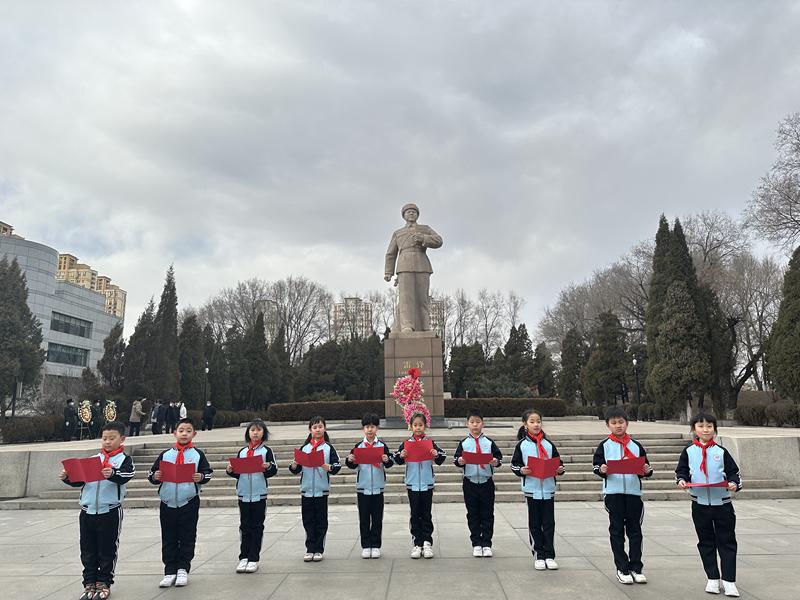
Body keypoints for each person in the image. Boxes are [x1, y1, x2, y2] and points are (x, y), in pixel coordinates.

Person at [59, 421, 135, 600]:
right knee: (87, 549)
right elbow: (80, 480)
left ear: (122, 439)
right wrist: (67, 478)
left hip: (109, 511)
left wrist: (113, 473)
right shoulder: (93, 459)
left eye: (112, 438)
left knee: (107, 549)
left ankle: (104, 582)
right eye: (104, 438)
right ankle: (89, 583)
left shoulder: (124, 460)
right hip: (88, 511)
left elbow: (127, 475)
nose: (107, 442)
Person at [675, 413, 742, 597]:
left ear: (715, 429)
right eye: (701, 426)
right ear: (694, 430)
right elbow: (681, 472)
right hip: (700, 505)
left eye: (709, 426)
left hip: (722, 504)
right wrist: (681, 481)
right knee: (705, 542)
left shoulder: (721, 452)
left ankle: (729, 581)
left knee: (727, 542)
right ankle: (712, 578)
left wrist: (734, 484)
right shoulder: (688, 452)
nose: (705, 430)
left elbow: (734, 473)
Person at [147, 418, 213, 588]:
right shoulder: (166, 454)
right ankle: (170, 570)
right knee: (168, 536)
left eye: (188, 430)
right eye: (181, 430)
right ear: (174, 433)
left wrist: (201, 477)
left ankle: (183, 568)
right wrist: (156, 477)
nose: (184, 433)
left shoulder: (197, 455)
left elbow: (207, 473)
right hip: (167, 503)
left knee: (187, 536)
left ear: (194, 434)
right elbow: (152, 474)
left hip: (188, 502)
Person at [593, 406, 654, 585]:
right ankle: (622, 567)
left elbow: (646, 467)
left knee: (635, 532)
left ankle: (636, 567)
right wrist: (602, 469)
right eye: (614, 423)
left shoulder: (636, 446)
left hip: (634, 494)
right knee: (617, 531)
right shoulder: (604, 445)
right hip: (614, 494)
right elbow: (596, 466)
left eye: (621, 422)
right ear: (607, 425)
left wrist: (647, 471)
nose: (618, 426)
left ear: (627, 424)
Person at [510, 409, 566, 570]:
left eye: (538, 421)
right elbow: (515, 464)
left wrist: (559, 469)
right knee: (535, 523)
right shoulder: (521, 445)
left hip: (548, 489)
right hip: (532, 489)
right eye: (532, 421)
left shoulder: (549, 444)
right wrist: (522, 470)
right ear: (525, 424)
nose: (536, 424)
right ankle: (538, 554)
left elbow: (559, 463)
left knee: (549, 523)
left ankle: (549, 554)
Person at [226, 419, 278, 573]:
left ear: (264, 433)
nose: (255, 433)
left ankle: (254, 558)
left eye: (259, 430)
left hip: (259, 494)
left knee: (257, 526)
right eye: (252, 430)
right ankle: (243, 557)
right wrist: (230, 470)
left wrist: (267, 467)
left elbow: (273, 470)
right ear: (248, 433)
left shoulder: (266, 451)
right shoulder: (242, 452)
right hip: (243, 494)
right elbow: (238, 473)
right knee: (244, 526)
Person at [393, 412, 447, 559]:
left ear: (425, 426)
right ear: (410, 426)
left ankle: (427, 542)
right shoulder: (407, 443)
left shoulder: (429, 441)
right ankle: (417, 543)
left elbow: (442, 456)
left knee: (426, 514)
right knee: (415, 514)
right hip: (412, 484)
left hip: (427, 484)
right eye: (415, 425)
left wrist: (435, 454)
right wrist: (401, 455)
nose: (418, 428)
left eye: (420, 425)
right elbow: (395, 458)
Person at [288, 416, 341, 562]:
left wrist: (329, 467)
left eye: (320, 426)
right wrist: (293, 465)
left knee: (321, 521)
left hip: (321, 490)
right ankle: (310, 548)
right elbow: (296, 468)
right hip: (306, 491)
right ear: (310, 430)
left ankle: (319, 549)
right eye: (315, 427)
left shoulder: (328, 448)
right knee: (308, 520)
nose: (318, 430)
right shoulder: (304, 448)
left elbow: (337, 466)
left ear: (325, 428)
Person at [384, 203, 443, 332]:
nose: (411, 213)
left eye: (414, 212)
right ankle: (407, 326)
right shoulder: (398, 233)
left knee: (423, 298)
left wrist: (424, 238)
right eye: (408, 212)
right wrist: (388, 272)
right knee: (406, 298)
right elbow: (390, 253)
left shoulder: (425, 229)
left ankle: (425, 325)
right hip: (404, 265)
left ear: (417, 215)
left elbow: (439, 240)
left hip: (422, 264)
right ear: (404, 215)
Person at [453, 410, 503, 558]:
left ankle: (486, 543)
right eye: (472, 422)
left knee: (487, 514)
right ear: (467, 424)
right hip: (470, 483)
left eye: (478, 422)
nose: (475, 425)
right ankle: (476, 542)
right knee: (473, 514)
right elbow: (456, 459)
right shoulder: (464, 443)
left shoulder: (489, 442)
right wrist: (459, 461)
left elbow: (498, 458)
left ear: (483, 423)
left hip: (486, 482)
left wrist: (496, 462)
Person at [345, 413, 394, 558]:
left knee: (377, 519)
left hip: (378, 488)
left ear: (377, 428)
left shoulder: (382, 446)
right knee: (364, 519)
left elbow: (390, 463)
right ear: (363, 429)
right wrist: (350, 459)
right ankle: (366, 545)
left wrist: (386, 459)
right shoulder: (358, 446)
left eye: (372, 427)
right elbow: (351, 465)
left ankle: (376, 545)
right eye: (367, 427)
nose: (370, 430)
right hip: (363, 488)